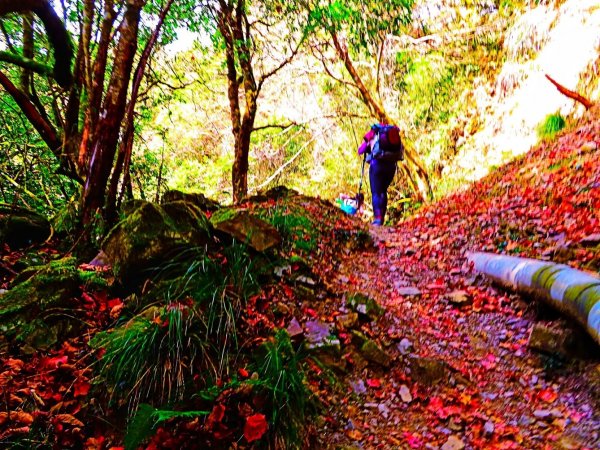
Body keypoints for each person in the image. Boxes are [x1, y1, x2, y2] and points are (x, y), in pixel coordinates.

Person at [357, 125, 398, 226]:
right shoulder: (392, 133)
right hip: (391, 166)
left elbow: (360, 150)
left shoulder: (372, 134)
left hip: (377, 165)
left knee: (376, 192)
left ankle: (378, 219)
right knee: (383, 191)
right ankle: (381, 218)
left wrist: (367, 146)